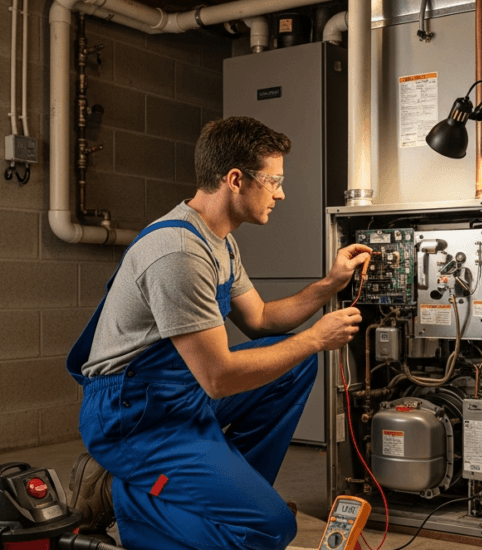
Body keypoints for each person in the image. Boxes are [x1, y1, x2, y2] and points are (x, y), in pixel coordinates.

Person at [64, 116, 371, 550]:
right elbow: (219, 377)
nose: (280, 193)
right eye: (273, 181)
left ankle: (227, 498)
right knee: (271, 530)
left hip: (179, 396)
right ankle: (124, 494)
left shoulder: (220, 240)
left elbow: (261, 318)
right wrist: (317, 338)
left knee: (293, 368)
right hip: (135, 417)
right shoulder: (179, 252)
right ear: (235, 180)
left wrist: (329, 284)